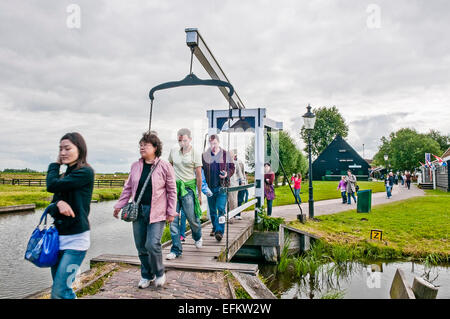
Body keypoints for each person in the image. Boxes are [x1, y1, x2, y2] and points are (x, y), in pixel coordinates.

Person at [114, 131, 177, 289]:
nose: (142, 147)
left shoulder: (164, 166)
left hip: (158, 211)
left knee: (152, 244)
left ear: (155, 148)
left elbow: (172, 190)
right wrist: (118, 206)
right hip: (138, 211)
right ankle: (146, 275)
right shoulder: (135, 166)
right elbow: (128, 188)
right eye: (140, 145)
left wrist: (171, 211)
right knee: (141, 246)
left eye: (146, 145)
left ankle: (159, 272)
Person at [46, 132, 94, 299]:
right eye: (60, 149)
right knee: (62, 290)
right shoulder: (64, 176)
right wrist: (57, 204)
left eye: (67, 148)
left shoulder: (85, 172)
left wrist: (54, 164)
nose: (62, 153)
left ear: (79, 150)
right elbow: (52, 207)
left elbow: (51, 185)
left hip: (76, 240)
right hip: (58, 239)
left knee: (59, 291)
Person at [166, 128, 203, 260]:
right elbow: (168, 167)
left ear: (190, 139)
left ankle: (197, 236)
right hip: (174, 190)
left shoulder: (195, 153)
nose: (182, 143)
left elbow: (198, 176)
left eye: (185, 140)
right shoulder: (173, 151)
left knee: (192, 218)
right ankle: (176, 249)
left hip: (188, 189)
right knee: (173, 220)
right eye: (180, 140)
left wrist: (199, 195)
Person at [202, 134, 235, 241]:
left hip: (222, 186)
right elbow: (201, 171)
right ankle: (216, 228)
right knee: (212, 211)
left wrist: (227, 174)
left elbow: (232, 168)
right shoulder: (205, 155)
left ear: (218, 142)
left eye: (215, 143)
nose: (213, 145)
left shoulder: (226, 154)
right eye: (211, 143)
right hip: (209, 188)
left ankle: (220, 231)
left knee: (220, 209)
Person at [179, 168, 212, 242]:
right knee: (185, 214)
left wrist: (208, 193)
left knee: (195, 216)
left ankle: (196, 235)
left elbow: (202, 182)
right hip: (185, 193)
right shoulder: (185, 167)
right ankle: (182, 235)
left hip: (195, 195)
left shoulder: (199, 169)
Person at [235, 152, 248, 220]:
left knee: (239, 199)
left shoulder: (240, 162)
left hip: (240, 182)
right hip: (234, 183)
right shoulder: (228, 162)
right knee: (233, 200)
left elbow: (242, 173)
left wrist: (244, 182)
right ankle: (234, 214)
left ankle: (238, 214)